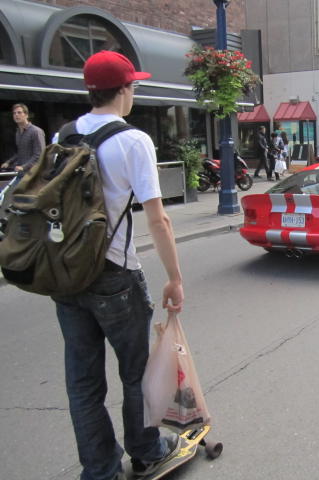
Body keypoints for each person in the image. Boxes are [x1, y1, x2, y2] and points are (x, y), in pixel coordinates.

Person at [51, 51, 184, 480]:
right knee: (135, 373)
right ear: (124, 90)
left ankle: (101, 470)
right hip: (115, 276)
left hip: (68, 274)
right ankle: (146, 450)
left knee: (84, 383)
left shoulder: (62, 136)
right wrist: (175, 278)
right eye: (134, 86)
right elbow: (157, 218)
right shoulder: (133, 140)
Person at [1, 103, 45, 172]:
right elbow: (20, 153)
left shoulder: (36, 131)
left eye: (19, 112)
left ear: (26, 115)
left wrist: (23, 167)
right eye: (14, 113)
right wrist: (8, 162)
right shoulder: (18, 132)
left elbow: (39, 155)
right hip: (22, 173)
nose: (16, 115)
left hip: (34, 174)